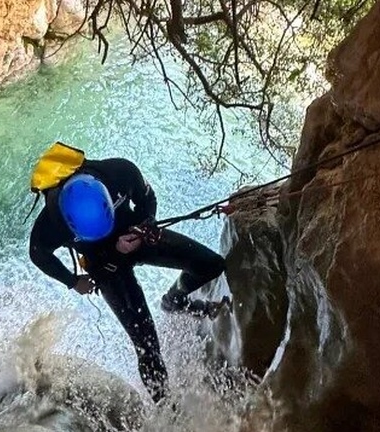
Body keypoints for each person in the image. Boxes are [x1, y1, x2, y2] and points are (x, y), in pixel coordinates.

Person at [26, 142, 228, 403]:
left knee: (211, 264)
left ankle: (174, 300)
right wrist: (73, 280)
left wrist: (147, 224)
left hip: (135, 237)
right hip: (105, 266)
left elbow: (148, 200)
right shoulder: (52, 225)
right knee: (146, 347)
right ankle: (168, 412)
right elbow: (38, 255)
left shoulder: (120, 172)